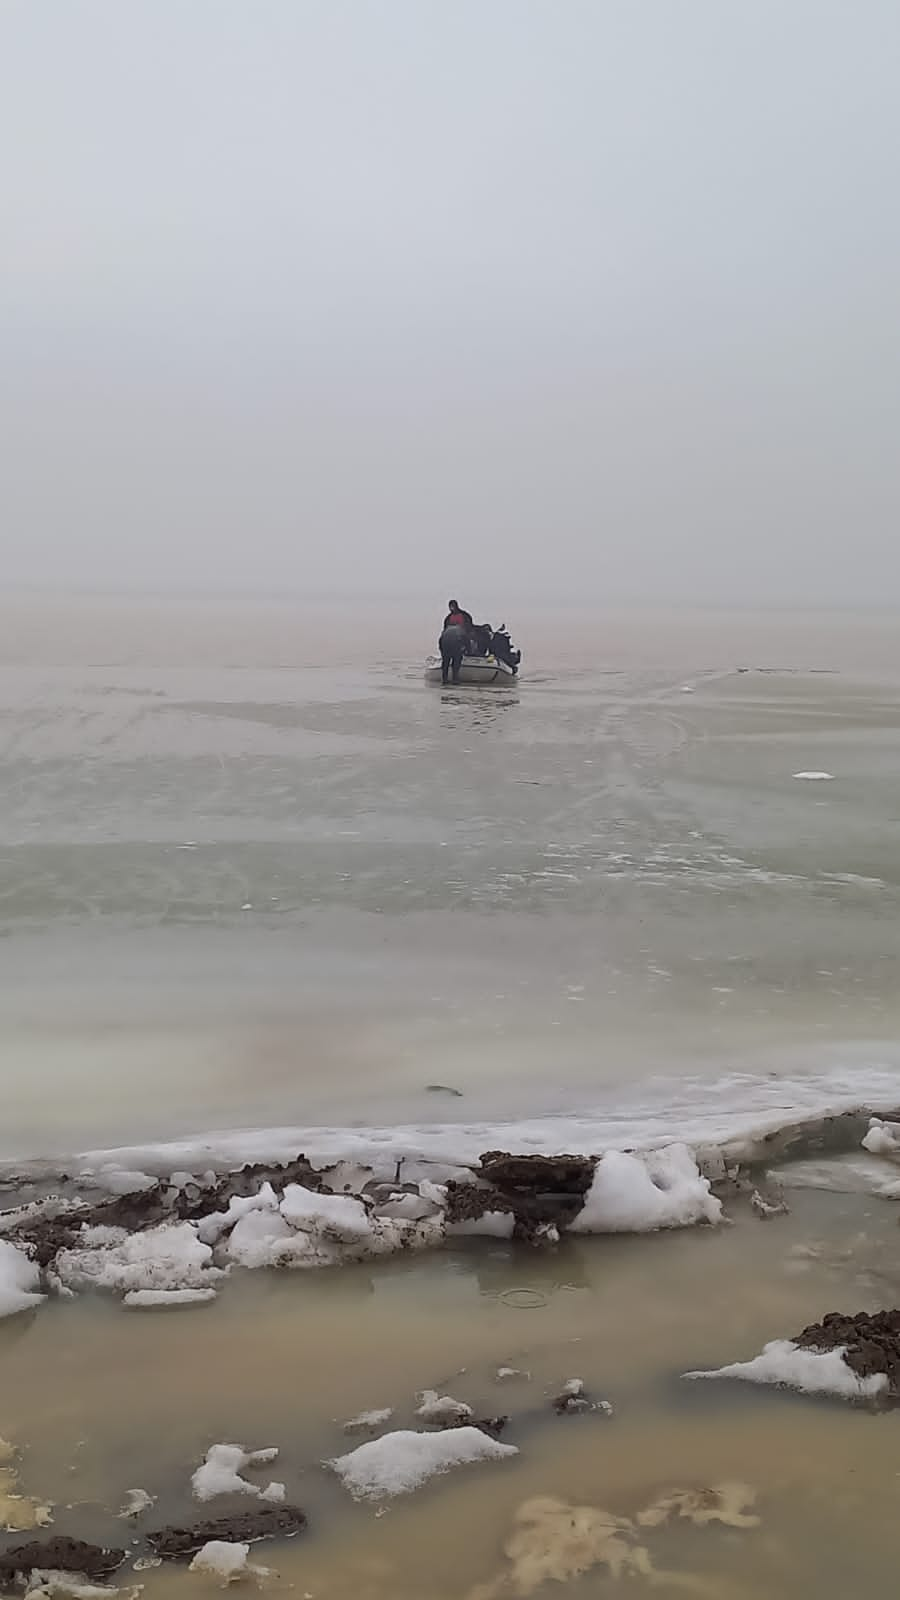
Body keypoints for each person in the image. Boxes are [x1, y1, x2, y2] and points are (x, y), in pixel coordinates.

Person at [438, 599, 472, 685]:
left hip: (447, 640)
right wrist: (469, 650)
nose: (451, 608)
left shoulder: (464, 616)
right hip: (453, 641)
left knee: (446, 661)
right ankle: (454, 679)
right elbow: (466, 636)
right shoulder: (448, 618)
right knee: (455, 660)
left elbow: (443, 634)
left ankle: (445, 679)